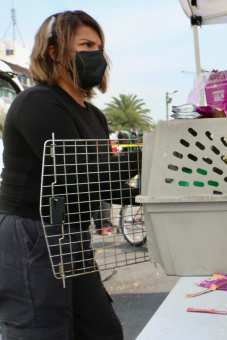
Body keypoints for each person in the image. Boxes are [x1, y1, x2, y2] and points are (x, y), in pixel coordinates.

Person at [0, 11, 138, 339]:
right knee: (41, 330)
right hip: (32, 234)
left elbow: (106, 184)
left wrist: (149, 194)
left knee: (101, 329)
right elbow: (78, 173)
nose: (96, 55)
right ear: (53, 51)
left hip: (71, 235)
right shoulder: (37, 103)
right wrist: (148, 155)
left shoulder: (94, 116)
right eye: (86, 45)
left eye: (100, 47)